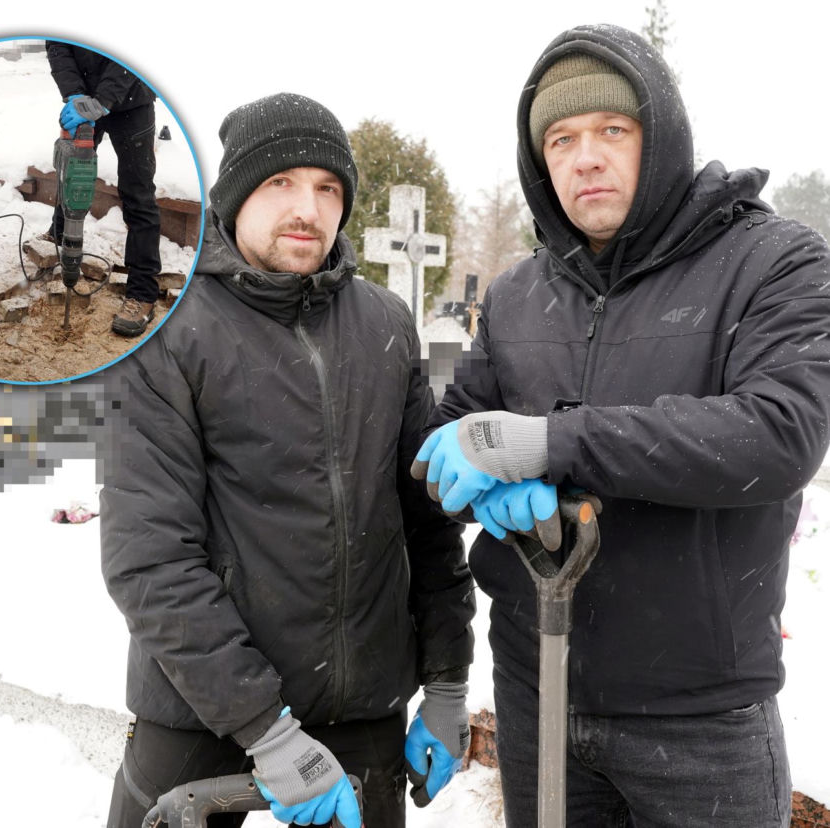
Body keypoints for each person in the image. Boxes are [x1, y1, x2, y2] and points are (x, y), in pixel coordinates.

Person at [413, 23, 830, 827]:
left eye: (612, 130)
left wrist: (551, 443)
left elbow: (776, 435)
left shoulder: (771, 261)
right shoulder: (516, 295)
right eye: (560, 139)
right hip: (540, 695)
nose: (585, 157)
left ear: (661, 137)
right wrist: (477, 489)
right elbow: (449, 445)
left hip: (701, 718)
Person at [100, 93, 475, 828]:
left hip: (359, 709)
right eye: (281, 183)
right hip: (201, 715)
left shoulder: (386, 328)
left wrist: (448, 679)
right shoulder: (172, 336)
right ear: (237, 195)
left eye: (328, 188)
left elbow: (426, 525)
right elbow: (149, 559)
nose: (308, 207)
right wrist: (264, 729)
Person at [44, 41, 162, 337]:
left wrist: (104, 100)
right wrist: (76, 95)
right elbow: (58, 45)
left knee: (138, 194)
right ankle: (58, 237)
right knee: (71, 173)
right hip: (82, 97)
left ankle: (142, 292)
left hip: (132, 100)